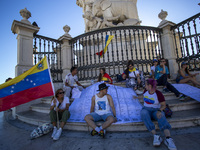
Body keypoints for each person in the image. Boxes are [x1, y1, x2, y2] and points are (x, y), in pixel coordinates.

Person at [140, 79, 177, 150]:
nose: (144, 86)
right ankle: (156, 135)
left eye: (145, 84)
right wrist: (136, 97)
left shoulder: (158, 93)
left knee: (161, 115)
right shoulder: (145, 91)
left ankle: (168, 138)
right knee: (143, 113)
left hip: (156, 110)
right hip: (146, 109)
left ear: (149, 85)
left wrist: (159, 111)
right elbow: (144, 96)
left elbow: (163, 105)